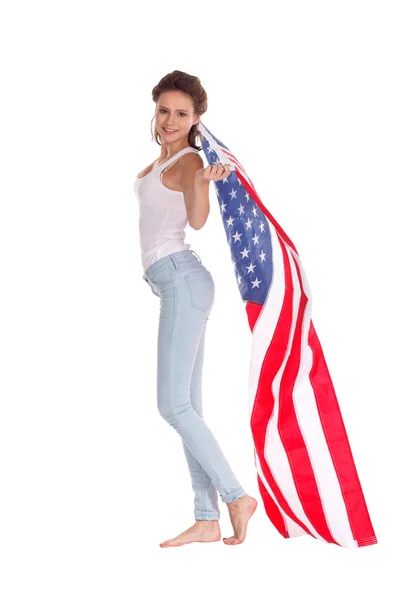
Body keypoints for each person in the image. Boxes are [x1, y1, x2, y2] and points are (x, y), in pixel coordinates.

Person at [134, 70, 257, 548]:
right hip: (176, 285)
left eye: (181, 114)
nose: (169, 120)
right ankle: (206, 518)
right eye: (163, 110)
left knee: (172, 405)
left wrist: (204, 179)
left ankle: (236, 496)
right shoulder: (160, 159)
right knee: (190, 407)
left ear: (196, 118)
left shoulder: (188, 161)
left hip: (182, 279)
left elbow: (199, 219)